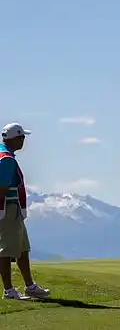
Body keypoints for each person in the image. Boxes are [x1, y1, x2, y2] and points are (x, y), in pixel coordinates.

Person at [0, 123, 51, 300]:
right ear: (15, 138)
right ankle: (9, 290)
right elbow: (2, 188)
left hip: (12, 209)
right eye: (22, 137)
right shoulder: (6, 159)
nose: (24, 141)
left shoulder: (4, 154)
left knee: (22, 249)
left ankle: (30, 286)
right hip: (8, 208)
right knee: (5, 250)